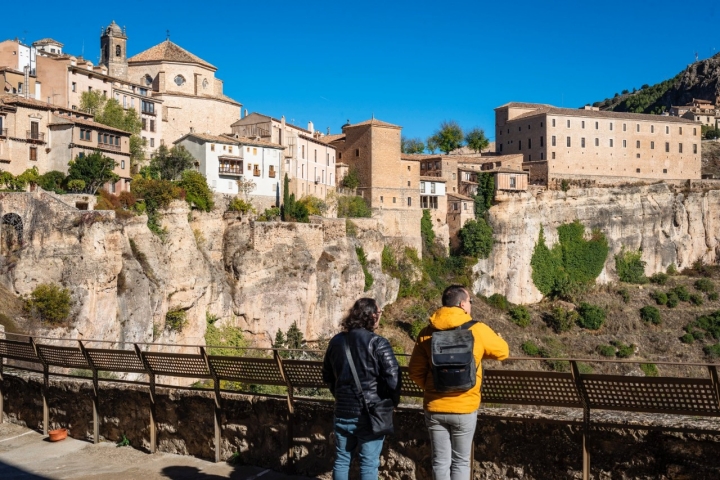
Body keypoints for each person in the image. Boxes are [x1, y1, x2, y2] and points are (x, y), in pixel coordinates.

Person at [408, 285, 509, 480]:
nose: (471, 305)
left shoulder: (426, 332)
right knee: (461, 461)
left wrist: (434, 388)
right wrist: (495, 339)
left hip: (435, 406)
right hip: (465, 405)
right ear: (463, 304)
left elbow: (415, 371)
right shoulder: (477, 330)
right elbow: (503, 352)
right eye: (470, 302)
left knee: (440, 461)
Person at [322, 298, 401, 480]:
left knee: (342, 459)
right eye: (379, 313)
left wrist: (340, 396)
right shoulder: (378, 343)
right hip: (370, 413)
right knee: (368, 462)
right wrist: (391, 403)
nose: (379, 317)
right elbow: (393, 378)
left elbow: (327, 375)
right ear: (373, 315)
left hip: (342, 410)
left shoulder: (336, 342)